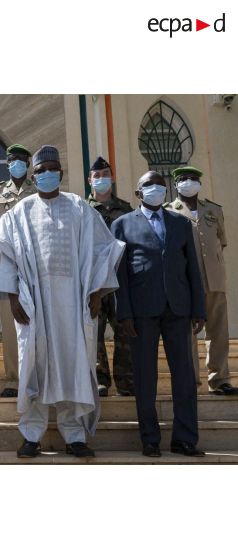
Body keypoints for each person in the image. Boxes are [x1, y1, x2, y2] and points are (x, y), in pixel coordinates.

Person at [0, 145, 125, 458]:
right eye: (41, 170)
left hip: (73, 303)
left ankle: (74, 435)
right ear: (34, 175)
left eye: (52, 169)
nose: (47, 174)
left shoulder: (79, 207)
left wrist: (94, 294)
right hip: (33, 303)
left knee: (71, 365)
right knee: (33, 366)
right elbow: (8, 257)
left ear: (61, 174)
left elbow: (101, 250)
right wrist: (12, 298)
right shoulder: (19, 213)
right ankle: (32, 434)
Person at [112, 171, 206, 457]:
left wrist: (198, 308)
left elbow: (193, 269)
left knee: (185, 377)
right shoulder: (122, 224)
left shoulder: (180, 223)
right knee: (145, 376)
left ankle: (185, 438)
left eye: (160, 185)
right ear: (138, 193)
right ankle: (150, 439)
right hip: (141, 312)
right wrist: (123, 312)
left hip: (179, 309)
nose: (156, 189)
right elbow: (120, 275)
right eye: (149, 185)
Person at [165, 166, 238, 395]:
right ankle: (190, 380)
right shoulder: (170, 212)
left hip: (214, 279)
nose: (189, 182)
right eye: (184, 179)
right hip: (186, 284)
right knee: (187, 334)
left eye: (194, 178)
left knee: (218, 331)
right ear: (176, 184)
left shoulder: (213, 210)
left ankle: (219, 379)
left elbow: (221, 243)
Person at [0, 144, 37, 397]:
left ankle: (37, 375)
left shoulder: (37, 190)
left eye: (21, 160)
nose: (16, 163)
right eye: (12, 160)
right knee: (9, 322)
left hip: (36, 264)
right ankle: (14, 379)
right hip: (5, 265)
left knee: (37, 320)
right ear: (7, 164)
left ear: (28, 163)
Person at [87, 156, 134, 397]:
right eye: (97, 176)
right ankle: (100, 378)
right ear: (89, 180)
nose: (102, 179)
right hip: (93, 280)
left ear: (112, 178)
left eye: (105, 174)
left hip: (120, 279)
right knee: (94, 330)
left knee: (124, 329)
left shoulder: (126, 210)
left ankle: (126, 380)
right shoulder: (82, 210)